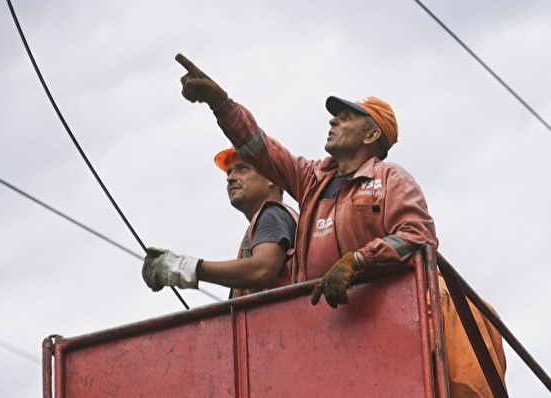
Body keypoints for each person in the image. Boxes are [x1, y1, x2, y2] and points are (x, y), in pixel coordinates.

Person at [174, 53, 506, 397]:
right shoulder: (312, 179)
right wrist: (221, 104)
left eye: (345, 118)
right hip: (326, 337)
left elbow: (417, 236)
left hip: (384, 331)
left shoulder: (391, 179)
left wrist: (357, 261)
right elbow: (261, 149)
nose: (333, 121)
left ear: (370, 134)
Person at [142, 148, 297, 298]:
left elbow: (262, 270)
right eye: (229, 172)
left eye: (242, 168)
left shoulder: (272, 214)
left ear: (271, 178)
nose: (230, 178)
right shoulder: (266, 222)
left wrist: (183, 267)